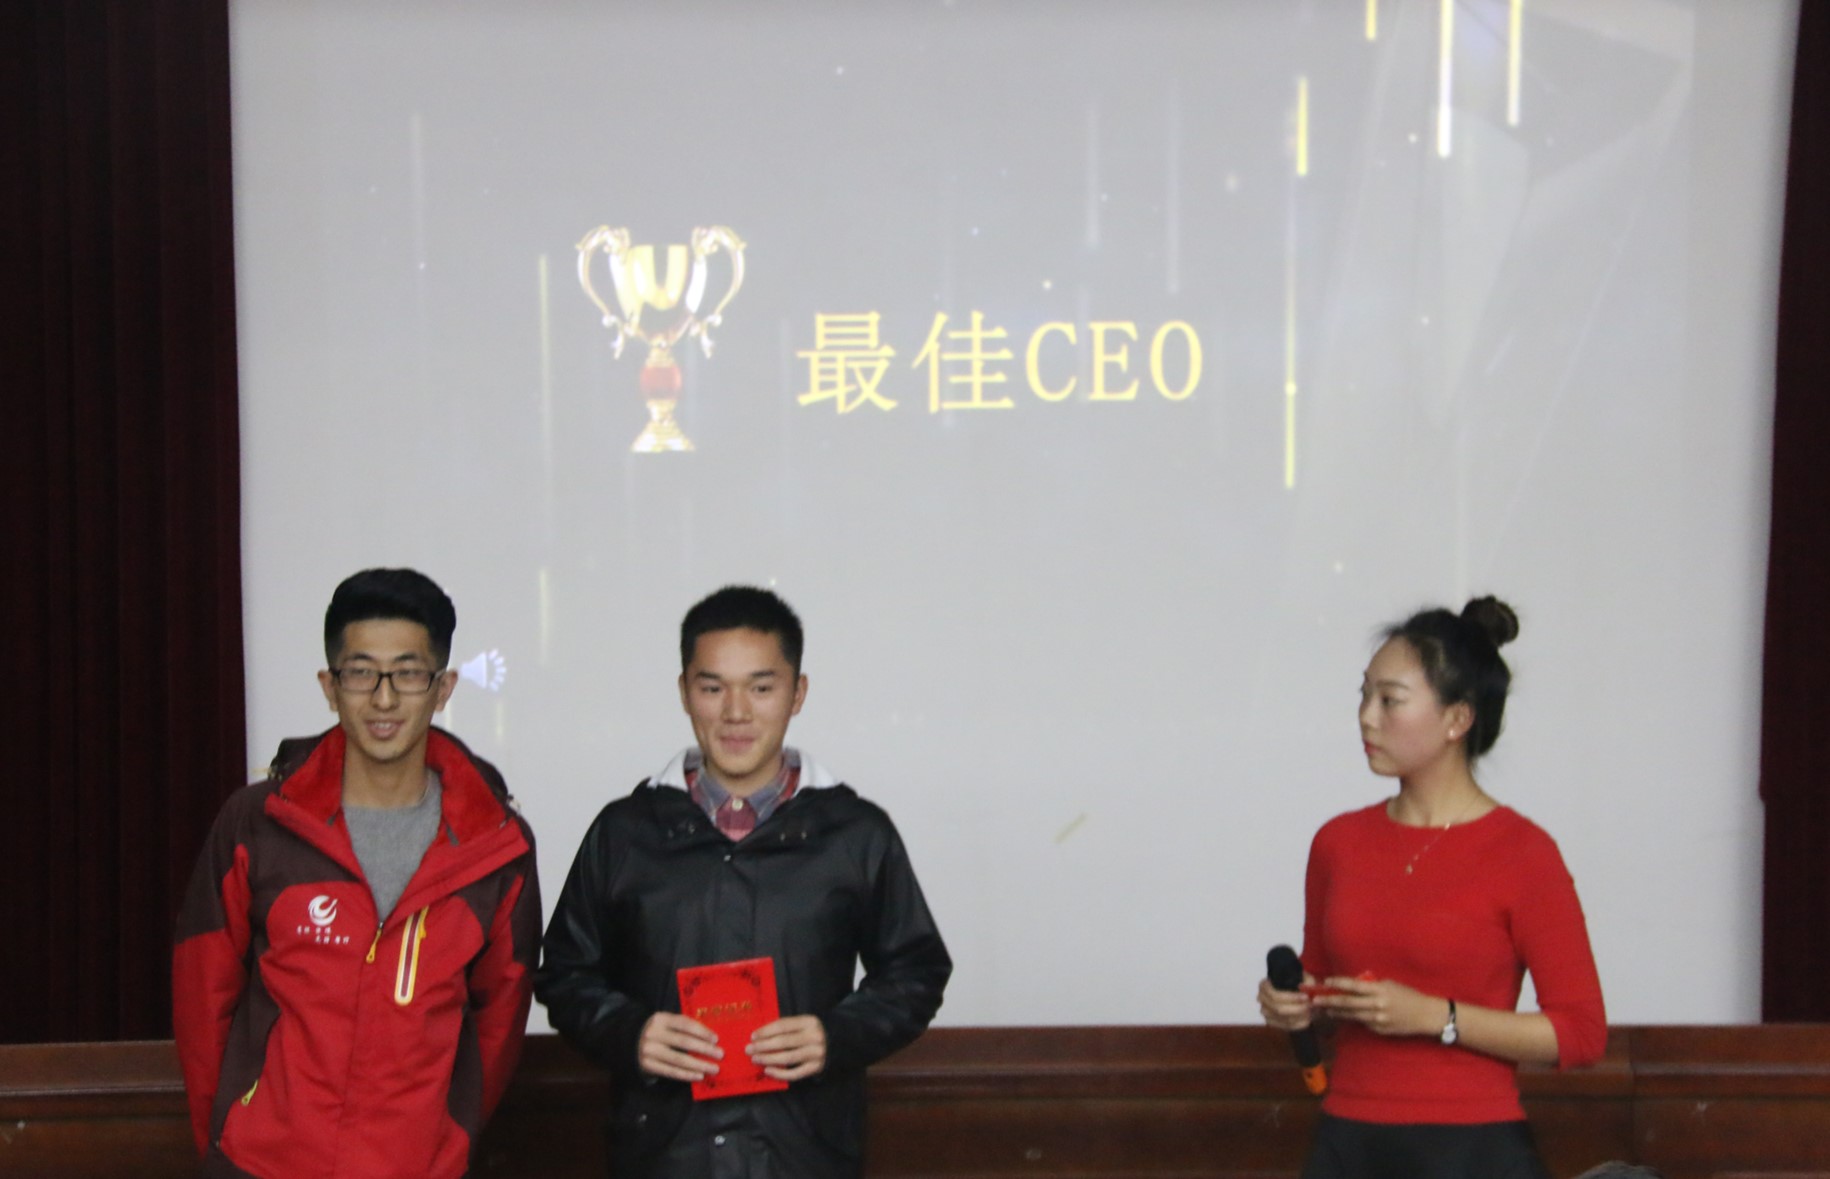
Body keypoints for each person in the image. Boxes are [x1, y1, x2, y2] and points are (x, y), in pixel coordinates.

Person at [537, 585, 951, 1179]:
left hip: (804, 1154)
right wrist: (630, 1034)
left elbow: (916, 971)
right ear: (684, 691)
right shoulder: (626, 832)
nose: (736, 712)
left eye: (761, 687)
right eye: (712, 688)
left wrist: (836, 1036)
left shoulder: (854, 832)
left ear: (797, 693)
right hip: (662, 1155)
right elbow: (564, 973)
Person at [173, 568, 540, 1178]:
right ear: (330, 685)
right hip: (261, 1166)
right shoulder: (258, 824)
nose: (384, 699)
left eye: (409, 673)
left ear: (443, 688)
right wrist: (228, 1141)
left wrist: (444, 1144)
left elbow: (499, 1025)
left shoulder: (496, 847)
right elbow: (200, 997)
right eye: (361, 672)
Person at [1257, 597, 1606, 1179]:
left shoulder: (1523, 852)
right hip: (1348, 1140)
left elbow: (1581, 1034)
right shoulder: (1338, 842)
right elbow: (1323, 996)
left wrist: (1434, 1016)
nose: (1366, 717)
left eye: (1389, 700)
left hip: (1473, 1147)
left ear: (1457, 719)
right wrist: (1295, 1004)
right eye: (1364, 695)